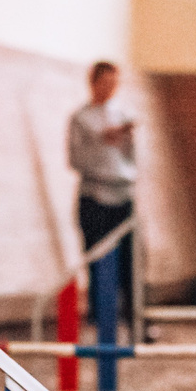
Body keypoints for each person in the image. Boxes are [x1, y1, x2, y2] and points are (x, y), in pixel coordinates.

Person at [67, 61, 138, 329]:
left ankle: (135, 318)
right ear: (94, 83)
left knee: (130, 261)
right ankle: (100, 320)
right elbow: (75, 159)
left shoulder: (123, 115)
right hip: (95, 194)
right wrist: (101, 139)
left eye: (114, 84)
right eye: (105, 83)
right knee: (97, 259)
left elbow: (132, 158)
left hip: (122, 193)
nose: (110, 88)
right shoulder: (81, 118)